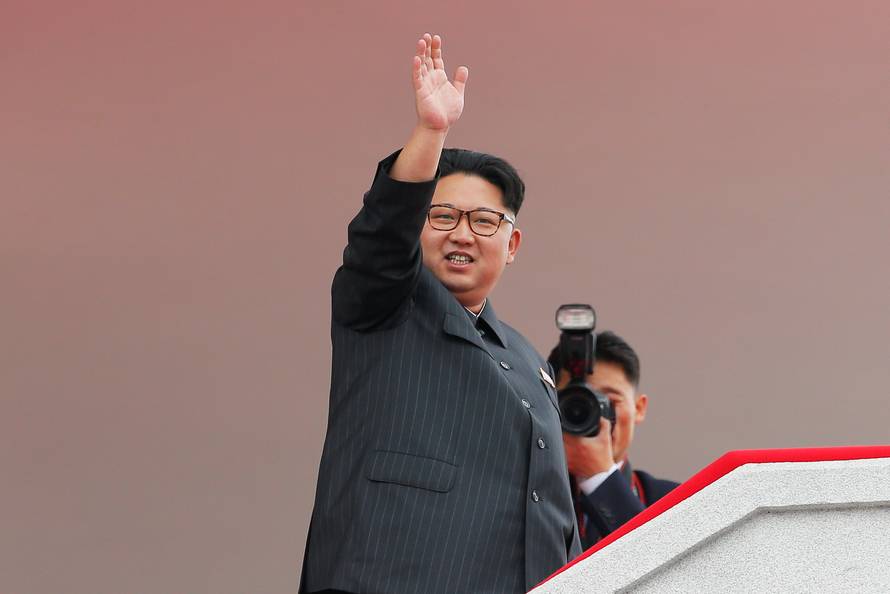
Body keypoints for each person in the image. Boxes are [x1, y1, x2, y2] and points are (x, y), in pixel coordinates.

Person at [300, 34, 580, 594]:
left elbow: (549, 506)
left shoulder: (525, 357)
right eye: (443, 214)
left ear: (513, 243)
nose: (461, 233)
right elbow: (382, 237)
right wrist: (431, 133)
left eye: (483, 221)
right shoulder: (386, 303)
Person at [549, 330, 680, 549]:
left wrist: (599, 477)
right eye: (576, 400)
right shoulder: (525, 496)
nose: (594, 414)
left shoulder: (677, 501)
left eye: (608, 401)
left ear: (639, 408)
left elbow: (672, 574)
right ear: (549, 403)